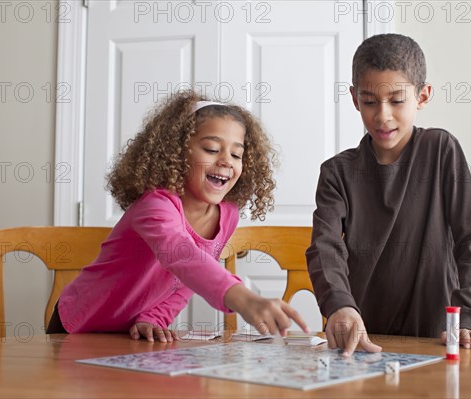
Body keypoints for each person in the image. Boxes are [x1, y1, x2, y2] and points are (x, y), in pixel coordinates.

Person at [47, 90, 308, 341]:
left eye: (237, 154)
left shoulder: (227, 215)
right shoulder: (154, 205)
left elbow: (185, 282)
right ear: (177, 154)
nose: (227, 160)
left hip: (129, 335)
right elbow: (182, 256)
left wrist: (155, 318)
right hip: (78, 326)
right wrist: (243, 297)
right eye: (211, 149)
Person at [306, 33, 471, 356]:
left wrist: (468, 316)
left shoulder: (441, 150)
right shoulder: (337, 172)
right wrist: (338, 305)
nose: (383, 115)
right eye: (370, 102)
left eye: (397, 100)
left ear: (422, 96)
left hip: (439, 338)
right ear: (355, 99)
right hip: (366, 341)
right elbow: (325, 248)